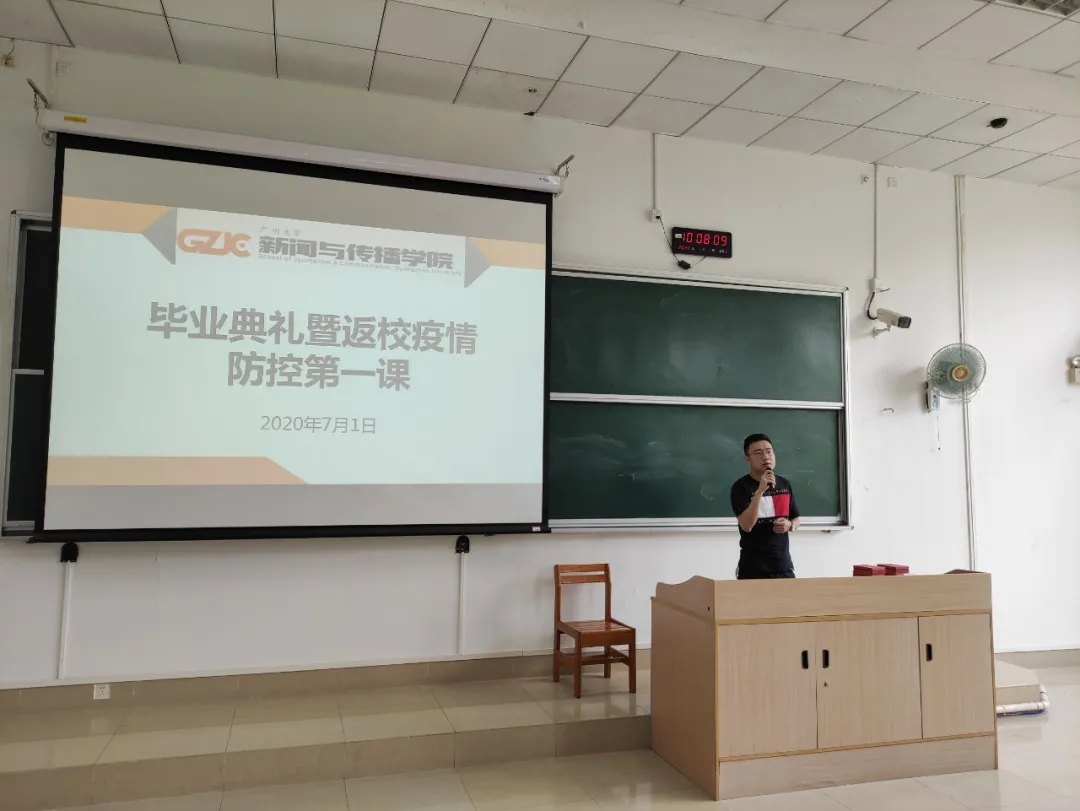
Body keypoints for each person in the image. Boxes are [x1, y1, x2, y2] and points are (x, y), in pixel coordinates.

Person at [730, 433, 800, 579]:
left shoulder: (784, 484)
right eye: (758, 453)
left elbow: (795, 519)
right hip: (753, 569)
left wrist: (790, 525)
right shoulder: (740, 487)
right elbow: (747, 525)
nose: (766, 457)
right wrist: (760, 491)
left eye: (769, 451)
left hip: (783, 566)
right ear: (747, 459)